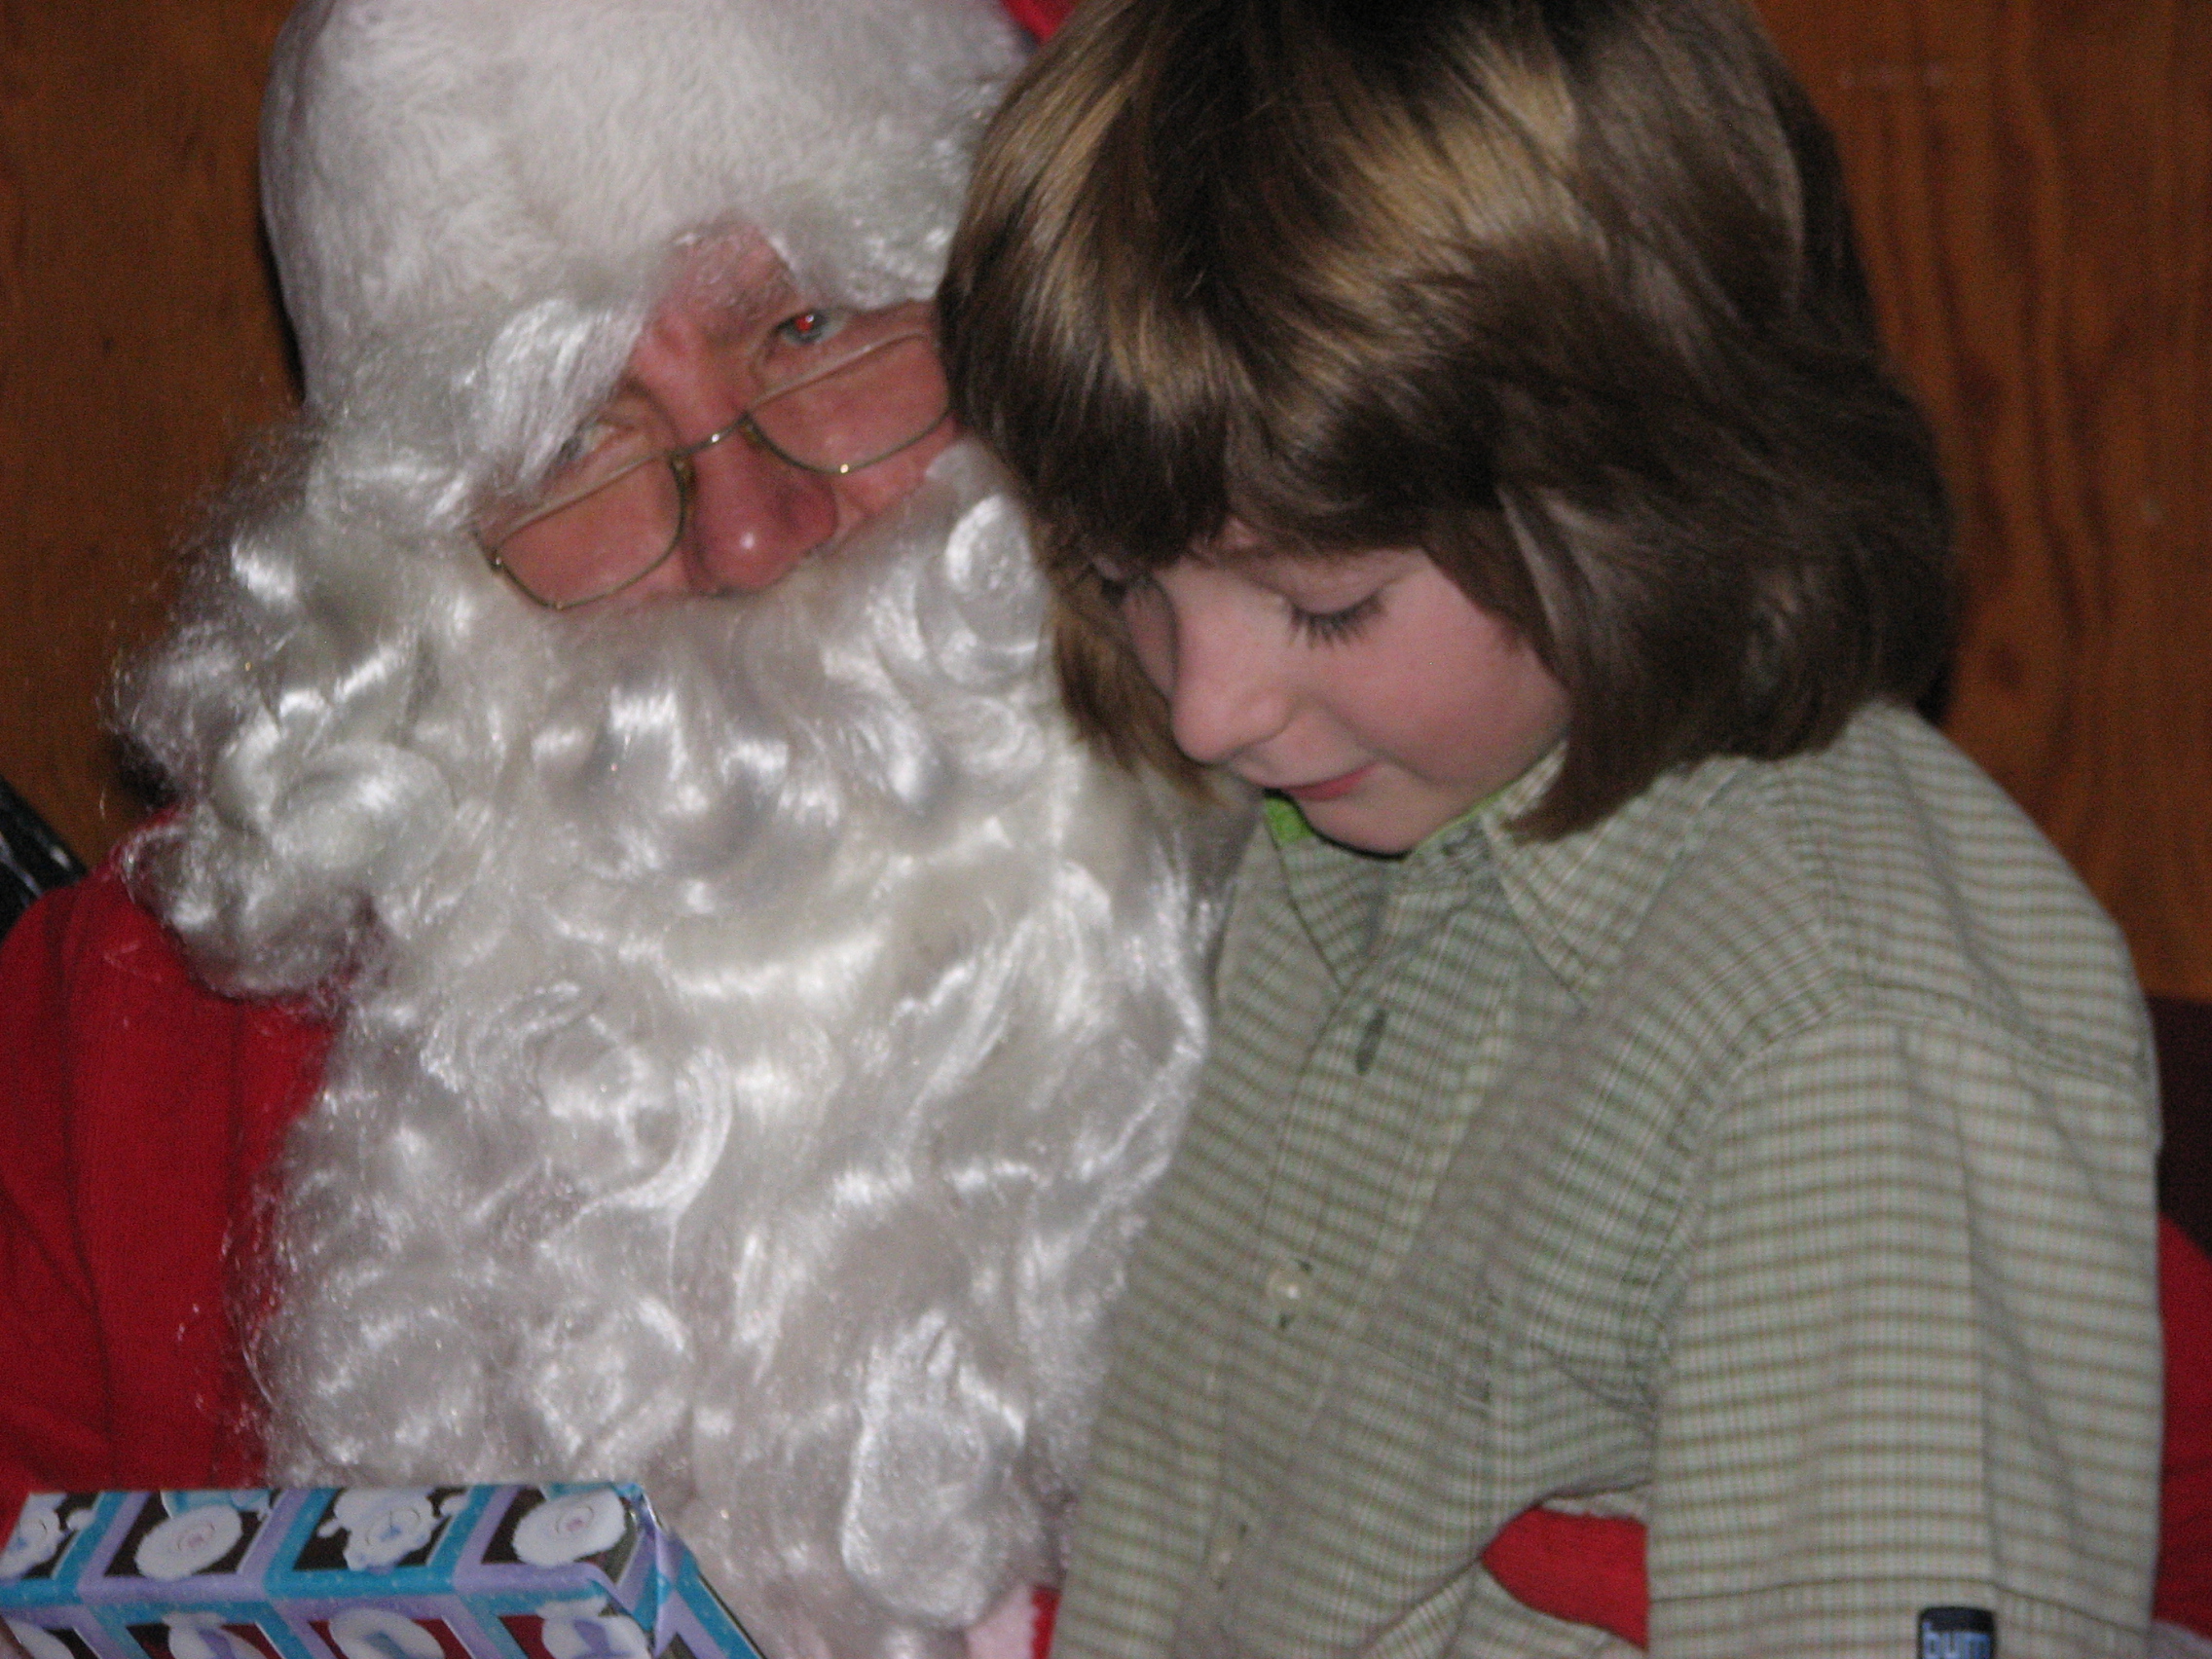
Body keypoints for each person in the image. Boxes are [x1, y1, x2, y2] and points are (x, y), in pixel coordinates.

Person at [0, 2, 1246, 1655]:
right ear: (409, 565)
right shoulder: (121, 1051)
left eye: (808, 329)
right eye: (576, 437)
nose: (747, 530)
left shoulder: (1377, 888)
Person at [937, 0, 2167, 1652]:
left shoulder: (1842, 1037)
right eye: (1121, 579)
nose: (1207, 710)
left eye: (1328, 603)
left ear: (1642, 481)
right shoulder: (1356, 836)